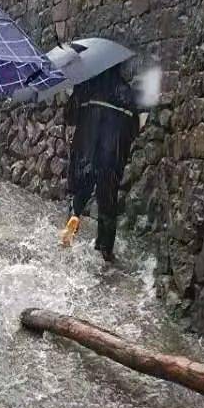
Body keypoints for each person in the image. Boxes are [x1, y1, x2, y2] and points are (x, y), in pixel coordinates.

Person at [59, 65, 141, 264]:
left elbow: (69, 117)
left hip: (84, 153)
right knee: (107, 206)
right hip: (112, 158)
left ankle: (74, 219)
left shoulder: (88, 86)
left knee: (79, 193)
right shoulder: (128, 95)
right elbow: (134, 130)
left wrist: (76, 91)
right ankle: (105, 252)